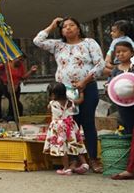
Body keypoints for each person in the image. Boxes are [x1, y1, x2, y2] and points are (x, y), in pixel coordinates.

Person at [34, 17, 105, 173]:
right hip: (65, 92)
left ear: (78, 28)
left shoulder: (89, 43)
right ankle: (74, 160)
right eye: (64, 26)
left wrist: (84, 82)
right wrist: (52, 25)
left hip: (87, 87)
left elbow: (100, 64)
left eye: (72, 25)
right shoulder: (58, 45)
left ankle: (93, 159)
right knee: (70, 125)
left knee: (87, 122)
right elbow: (37, 41)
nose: (68, 28)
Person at [43, 83, 90, 175]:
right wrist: (81, 92)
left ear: (53, 94)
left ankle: (66, 168)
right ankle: (84, 164)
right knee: (76, 143)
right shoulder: (70, 102)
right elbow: (80, 100)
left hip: (59, 127)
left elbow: (49, 111)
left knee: (62, 147)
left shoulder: (52, 103)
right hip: (71, 125)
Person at [107, 40, 133, 180]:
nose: (121, 54)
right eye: (118, 52)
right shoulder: (115, 70)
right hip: (123, 105)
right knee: (129, 130)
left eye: (124, 51)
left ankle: (131, 168)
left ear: (132, 52)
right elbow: (110, 84)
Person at [0, 56, 37, 122]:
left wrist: (31, 71)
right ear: (14, 58)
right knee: (14, 102)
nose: (20, 62)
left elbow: (23, 77)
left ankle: (13, 117)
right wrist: (1, 79)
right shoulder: (6, 64)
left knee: (14, 102)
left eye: (22, 60)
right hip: (7, 86)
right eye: (19, 59)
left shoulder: (20, 66)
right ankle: (13, 117)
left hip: (16, 87)